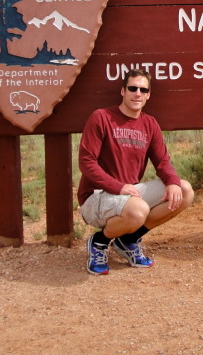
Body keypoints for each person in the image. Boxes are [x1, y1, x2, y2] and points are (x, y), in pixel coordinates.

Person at [77, 69, 194, 275]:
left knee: (184, 191)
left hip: (129, 195)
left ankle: (127, 240)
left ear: (148, 95)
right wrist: (119, 187)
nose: (137, 93)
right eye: (132, 88)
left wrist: (173, 182)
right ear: (123, 91)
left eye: (143, 89)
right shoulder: (102, 118)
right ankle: (99, 242)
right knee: (138, 210)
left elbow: (163, 162)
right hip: (96, 197)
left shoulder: (150, 124)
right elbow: (87, 163)